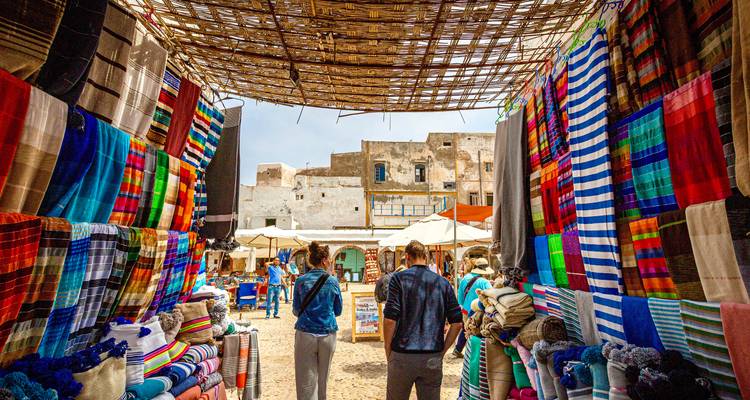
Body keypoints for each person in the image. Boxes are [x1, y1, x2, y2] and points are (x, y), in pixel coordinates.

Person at [383, 241, 463, 400]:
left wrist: (388, 347)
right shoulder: (443, 283)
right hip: (432, 355)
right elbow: (457, 323)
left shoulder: (398, 279)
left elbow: (390, 319)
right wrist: (443, 349)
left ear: (407, 257)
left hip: (402, 354)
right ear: (425, 257)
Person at [293, 242, 343, 400]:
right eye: (329, 260)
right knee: (323, 378)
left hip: (305, 333)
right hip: (327, 333)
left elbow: (296, 310)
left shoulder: (301, 281)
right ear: (324, 261)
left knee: (305, 380)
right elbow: (338, 310)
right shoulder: (333, 281)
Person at [453, 257, 494, 357]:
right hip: (478, 312)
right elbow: (492, 298)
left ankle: (458, 350)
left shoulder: (465, 279)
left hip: (465, 311)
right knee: (477, 332)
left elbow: (460, 300)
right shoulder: (484, 282)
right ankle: (474, 354)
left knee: (466, 329)